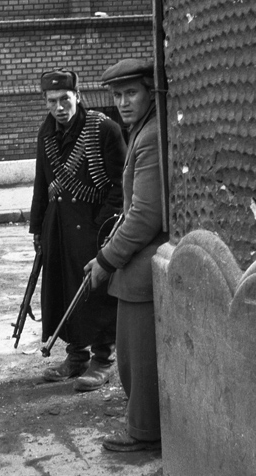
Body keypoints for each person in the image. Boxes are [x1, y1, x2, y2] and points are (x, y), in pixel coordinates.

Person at [85, 57, 167, 451]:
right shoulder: (143, 128)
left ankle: (144, 434)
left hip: (143, 263)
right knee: (133, 356)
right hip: (136, 259)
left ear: (150, 91)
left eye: (131, 92)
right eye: (117, 95)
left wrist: (105, 260)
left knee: (140, 359)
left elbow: (146, 214)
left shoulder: (150, 135)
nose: (123, 102)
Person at [29, 69, 127, 391]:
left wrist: (103, 226)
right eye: (52, 101)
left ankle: (102, 359)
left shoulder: (103, 129)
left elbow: (120, 186)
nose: (59, 107)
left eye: (65, 99)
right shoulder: (47, 134)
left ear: (78, 97)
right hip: (58, 225)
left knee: (95, 293)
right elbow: (41, 184)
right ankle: (76, 355)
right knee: (64, 289)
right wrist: (37, 229)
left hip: (93, 227)